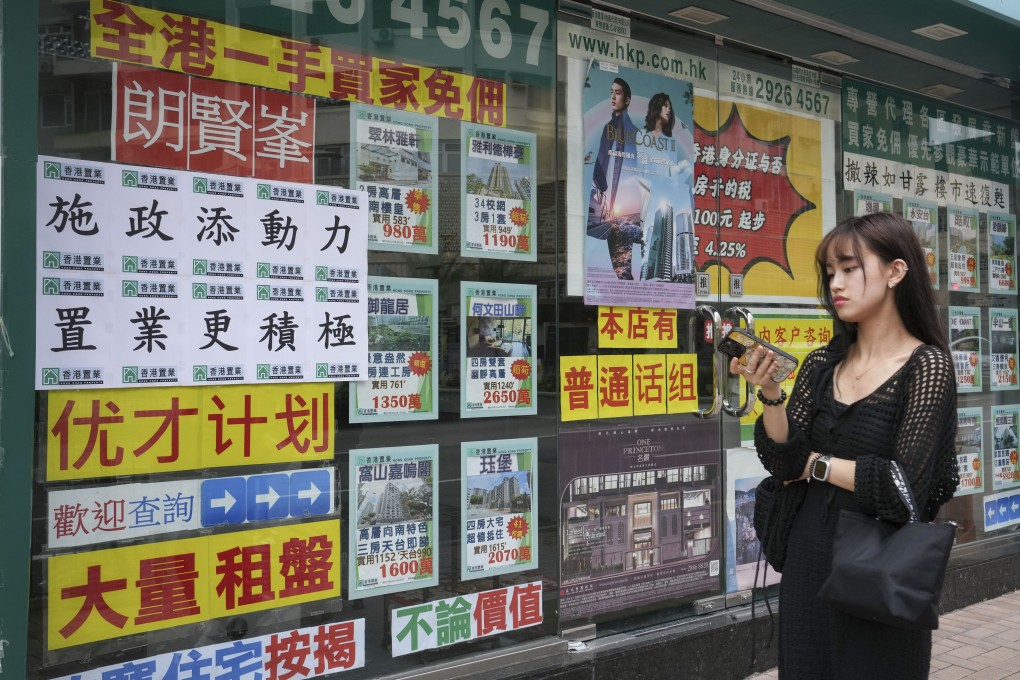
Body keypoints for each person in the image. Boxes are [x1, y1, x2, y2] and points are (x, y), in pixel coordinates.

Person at [731, 211, 959, 679]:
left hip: (880, 566)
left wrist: (816, 465)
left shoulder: (926, 367)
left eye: (850, 268)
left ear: (896, 272)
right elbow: (782, 458)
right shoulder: (821, 364)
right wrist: (771, 394)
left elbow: (902, 488)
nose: (836, 283)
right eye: (830, 272)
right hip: (807, 555)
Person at [589, 76, 637, 223]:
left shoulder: (631, 130)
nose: (613, 96)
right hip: (598, 182)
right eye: (612, 92)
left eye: (618, 93)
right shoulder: (607, 126)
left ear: (627, 100)